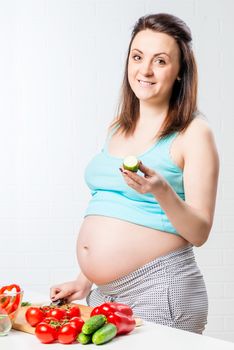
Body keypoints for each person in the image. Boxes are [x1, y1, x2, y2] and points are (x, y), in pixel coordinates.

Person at [50, 13, 219, 334]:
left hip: (159, 289)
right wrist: (85, 279)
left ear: (180, 70)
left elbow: (200, 232)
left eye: (160, 61)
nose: (145, 70)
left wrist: (161, 190)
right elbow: (112, 204)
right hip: (104, 295)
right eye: (138, 57)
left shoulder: (193, 132)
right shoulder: (117, 128)